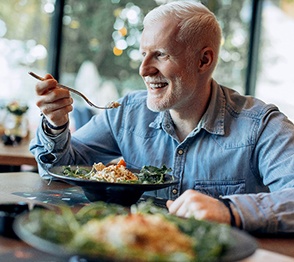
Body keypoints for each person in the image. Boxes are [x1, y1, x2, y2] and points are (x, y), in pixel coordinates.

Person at [30, 0, 294, 233]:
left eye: (160, 55)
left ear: (204, 60)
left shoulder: (261, 125)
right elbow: (58, 170)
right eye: (144, 54)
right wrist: (56, 125)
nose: (144, 69)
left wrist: (230, 211)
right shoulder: (126, 112)